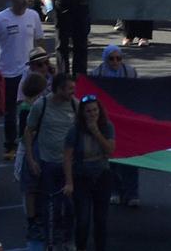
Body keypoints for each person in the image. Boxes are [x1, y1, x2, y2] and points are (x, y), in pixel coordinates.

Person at [0, 0, 47, 158]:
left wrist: (42, 63)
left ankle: (28, 142)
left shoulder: (33, 16)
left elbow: (40, 40)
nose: (24, 1)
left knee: (30, 109)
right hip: (8, 72)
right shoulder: (1, 19)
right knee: (10, 112)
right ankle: (10, 146)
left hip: (29, 72)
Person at [22, 72, 78, 251]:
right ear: (58, 89)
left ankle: (68, 239)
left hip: (68, 166)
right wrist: (31, 159)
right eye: (69, 89)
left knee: (69, 205)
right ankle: (49, 241)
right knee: (48, 206)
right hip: (47, 163)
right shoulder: (42, 105)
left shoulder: (75, 105)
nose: (73, 92)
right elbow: (28, 131)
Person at [64, 92, 115, 250]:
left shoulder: (107, 126)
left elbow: (110, 150)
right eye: (89, 111)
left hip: (102, 176)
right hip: (81, 177)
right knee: (83, 220)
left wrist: (96, 132)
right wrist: (69, 183)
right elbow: (67, 157)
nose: (93, 114)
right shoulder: (75, 131)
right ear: (82, 113)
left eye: (95, 110)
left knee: (101, 220)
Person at [91, 45, 138, 207]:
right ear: (105, 59)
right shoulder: (96, 74)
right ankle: (115, 191)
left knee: (132, 158)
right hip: (107, 122)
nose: (115, 62)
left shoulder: (130, 72)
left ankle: (132, 194)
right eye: (111, 58)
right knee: (112, 160)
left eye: (119, 58)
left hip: (127, 122)